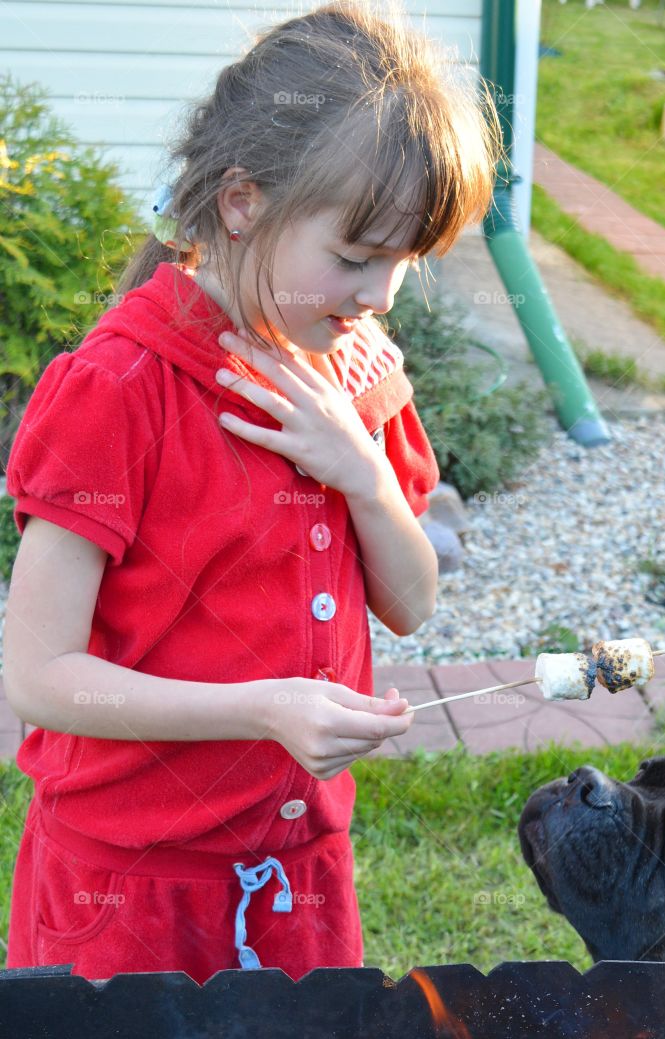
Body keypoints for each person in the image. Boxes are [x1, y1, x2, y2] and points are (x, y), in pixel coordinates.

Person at [1, 0, 502, 984]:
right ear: (242, 203)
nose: (381, 294)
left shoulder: (357, 372)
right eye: (356, 258)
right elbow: (37, 675)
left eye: (404, 262)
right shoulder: (120, 392)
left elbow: (410, 600)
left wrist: (360, 470)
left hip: (298, 877)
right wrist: (264, 706)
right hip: (128, 891)